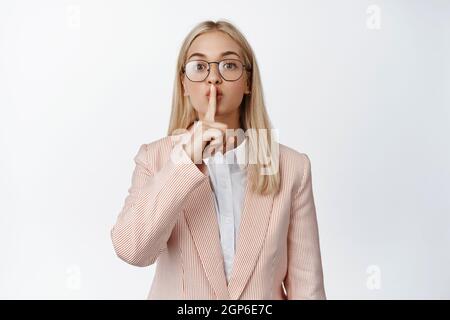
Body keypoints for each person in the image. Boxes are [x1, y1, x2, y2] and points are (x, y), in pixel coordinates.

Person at [111, 20, 326, 300]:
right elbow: (132, 250)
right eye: (199, 67)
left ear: (248, 82)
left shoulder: (291, 167)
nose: (213, 78)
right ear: (184, 84)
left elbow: (307, 287)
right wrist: (186, 160)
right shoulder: (156, 158)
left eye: (229, 65)